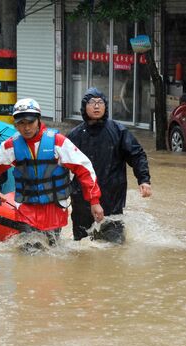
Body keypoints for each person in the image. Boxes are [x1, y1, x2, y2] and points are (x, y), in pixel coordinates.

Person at [0, 98, 104, 243]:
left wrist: (94, 201)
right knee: (28, 250)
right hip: (26, 209)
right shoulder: (11, 146)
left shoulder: (58, 142)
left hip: (54, 208)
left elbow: (84, 168)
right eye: (21, 123)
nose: (26, 128)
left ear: (38, 120)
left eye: (30, 122)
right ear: (16, 124)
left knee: (52, 252)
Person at [68, 88, 151, 243]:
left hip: (112, 201)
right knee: (81, 249)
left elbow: (137, 155)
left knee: (113, 249)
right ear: (84, 107)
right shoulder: (75, 135)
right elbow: (62, 166)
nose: (96, 106)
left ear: (106, 106)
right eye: (92, 102)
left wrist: (144, 180)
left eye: (100, 102)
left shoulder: (119, 131)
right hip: (82, 202)